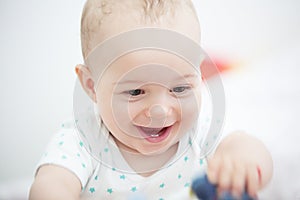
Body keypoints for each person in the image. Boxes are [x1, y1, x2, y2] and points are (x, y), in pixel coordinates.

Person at [29, 0, 273, 199]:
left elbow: (245, 146)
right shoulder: (83, 140)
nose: (160, 111)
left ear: (198, 74)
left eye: (179, 88)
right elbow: (53, 183)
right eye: (136, 92)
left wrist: (244, 161)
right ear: (91, 86)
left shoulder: (199, 126)